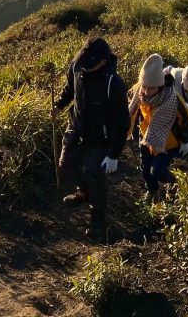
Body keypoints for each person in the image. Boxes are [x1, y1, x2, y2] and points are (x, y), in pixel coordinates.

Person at [53, 36, 129, 241]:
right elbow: (71, 89)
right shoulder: (77, 66)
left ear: (103, 61)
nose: (84, 67)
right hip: (77, 126)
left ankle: (98, 217)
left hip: (100, 136)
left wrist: (113, 154)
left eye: (90, 64)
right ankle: (83, 192)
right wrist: (60, 105)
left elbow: (122, 122)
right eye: (83, 62)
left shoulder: (113, 84)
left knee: (94, 173)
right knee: (67, 163)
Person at [128, 54, 188, 198]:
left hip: (168, 142)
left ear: (161, 85)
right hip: (146, 137)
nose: (146, 91)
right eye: (144, 87)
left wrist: (186, 140)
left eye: (151, 89)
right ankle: (152, 192)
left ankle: (176, 182)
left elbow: (187, 119)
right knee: (145, 171)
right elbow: (131, 107)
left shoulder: (173, 98)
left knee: (156, 172)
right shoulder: (139, 91)